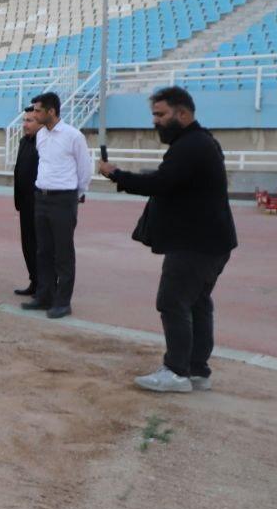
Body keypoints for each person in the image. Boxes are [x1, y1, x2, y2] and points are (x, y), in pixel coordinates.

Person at [99, 87, 237, 393]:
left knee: (173, 302)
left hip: (195, 244)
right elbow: (170, 178)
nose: (155, 122)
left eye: (161, 115)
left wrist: (117, 175)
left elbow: (161, 182)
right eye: (154, 115)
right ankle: (196, 371)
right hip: (210, 241)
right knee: (197, 304)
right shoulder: (197, 143)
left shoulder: (191, 145)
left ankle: (176, 372)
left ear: (183, 114)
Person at [21, 91, 92, 319]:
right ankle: (44, 295)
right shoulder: (41, 136)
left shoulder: (73, 136)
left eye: (38, 110)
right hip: (41, 197)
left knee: (63, 252)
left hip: (63, 199)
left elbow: (84, 169)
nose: (34, 114)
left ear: (51, 111)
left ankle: (63, 301)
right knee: (43, 251)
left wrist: (77, 193)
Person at [12, 106, 40, 296]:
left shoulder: (45, 143)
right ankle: (34, 281)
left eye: (29, 121)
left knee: (41, 246)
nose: (25, 124)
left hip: (39, 203)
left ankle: (45, 285)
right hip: (25, 203)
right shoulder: (24, 141)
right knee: (28, 245)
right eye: (24, 120)